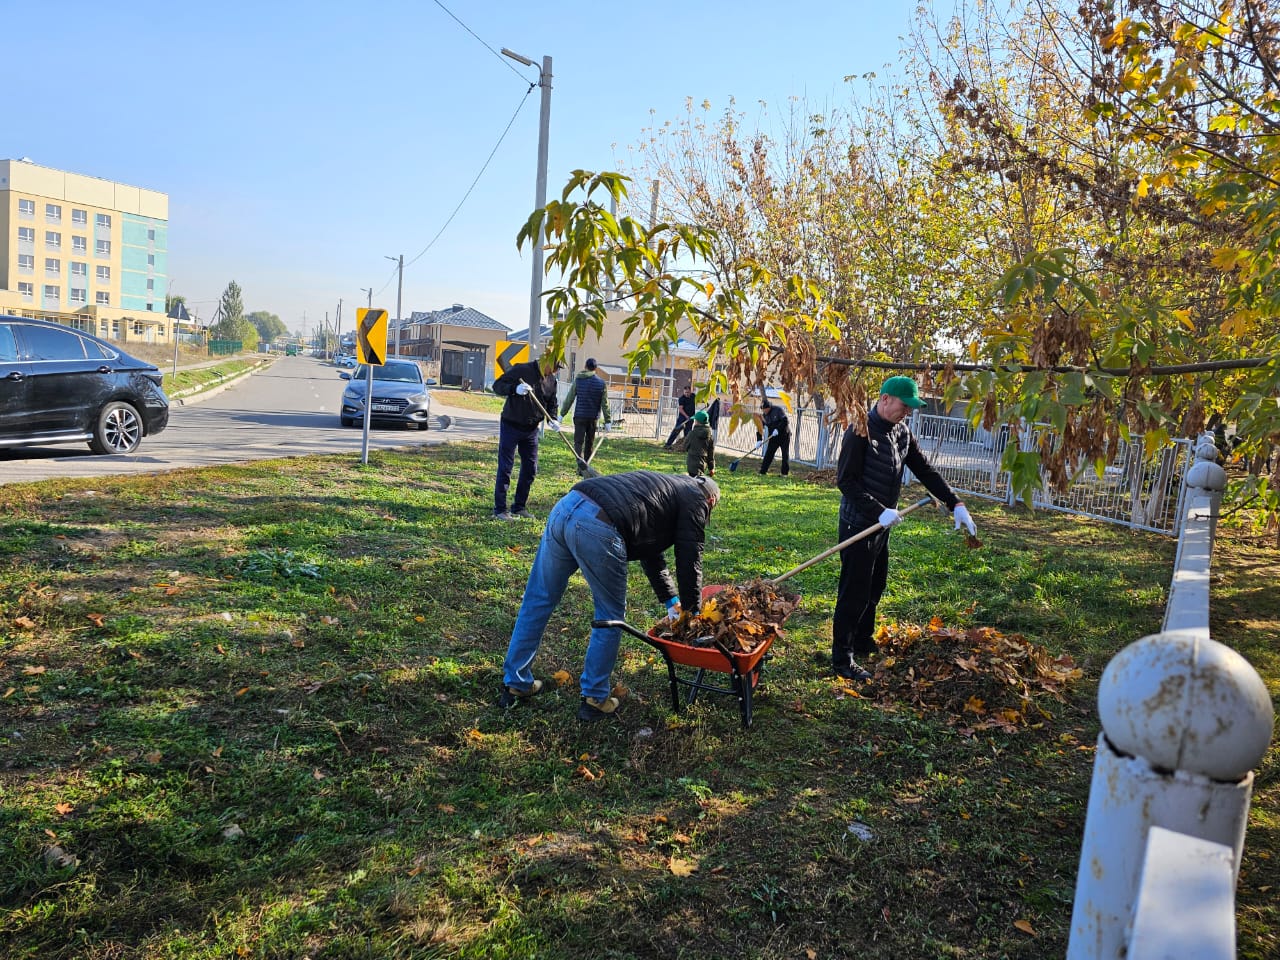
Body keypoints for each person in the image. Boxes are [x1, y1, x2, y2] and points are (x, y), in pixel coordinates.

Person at [499, 471, 721, 721]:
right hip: (598, 525)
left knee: (538, 598)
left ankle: (515, 682)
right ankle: (595, 698)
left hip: (566, 507)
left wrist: (672, 600)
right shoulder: (696, 499)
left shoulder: (668, 485)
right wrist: (693, 613)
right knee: (610, 615)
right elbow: (690, 559)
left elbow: (651, 547)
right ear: (710, 501)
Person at [832, 375, 977, 681]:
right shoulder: (859, 431)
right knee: (854, 592)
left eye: (911, 408)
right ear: (884, 399)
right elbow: (845, 481)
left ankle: (862, 639)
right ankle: (842, 659)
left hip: (882, 524)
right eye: (904, 406)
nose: (907, 412)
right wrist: (877, 510)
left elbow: (924, 468)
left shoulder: (901, 431)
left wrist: (955, 503)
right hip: (858, 523)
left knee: (876, 585)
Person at [491, 355, 562, 520]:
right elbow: (498, 385)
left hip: (531, 429)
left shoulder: (551, 380)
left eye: (556, 370)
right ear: (545, 362)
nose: (553, 373)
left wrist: (553, 419)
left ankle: (519, 507)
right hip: (511, 424)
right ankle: (500, 509)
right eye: (552, 368)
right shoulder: (521, 369)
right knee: (506, 467)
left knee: (530, 468)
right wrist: (515, 389)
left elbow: (551, 402)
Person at [559, 357, 613, 476]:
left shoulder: (578, 380)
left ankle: (581, 467)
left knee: (578, 442)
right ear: (596, 369)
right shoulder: (601, 383)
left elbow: (570, 398)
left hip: (579, 416)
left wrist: (562, 414)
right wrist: (608, 421)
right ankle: (586, 467)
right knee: (589, 443)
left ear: (585, 366)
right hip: (593, 418)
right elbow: (605, 404)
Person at [759, 398, 791, 476]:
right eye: (762, 410)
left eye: (765, 409)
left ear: (769, 407)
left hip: (784, 436)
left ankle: (784, 473)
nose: (764, 411)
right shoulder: (764, 416)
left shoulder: (778, 410)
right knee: (769, 453)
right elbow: (759, 427)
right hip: (773, 437)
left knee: (785, 454)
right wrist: (758, 440)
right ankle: (763, 471)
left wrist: (777, 429)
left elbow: (785, 420)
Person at [685, 409, 715, 477]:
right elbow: (711, 453)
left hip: (691, 464)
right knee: (699, 480)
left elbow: (685, 447)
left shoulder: (692, 433)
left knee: (693, 482)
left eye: (695, 420)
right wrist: (711, 468)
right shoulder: (710, 436)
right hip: (702, 464)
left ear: (697, 422)